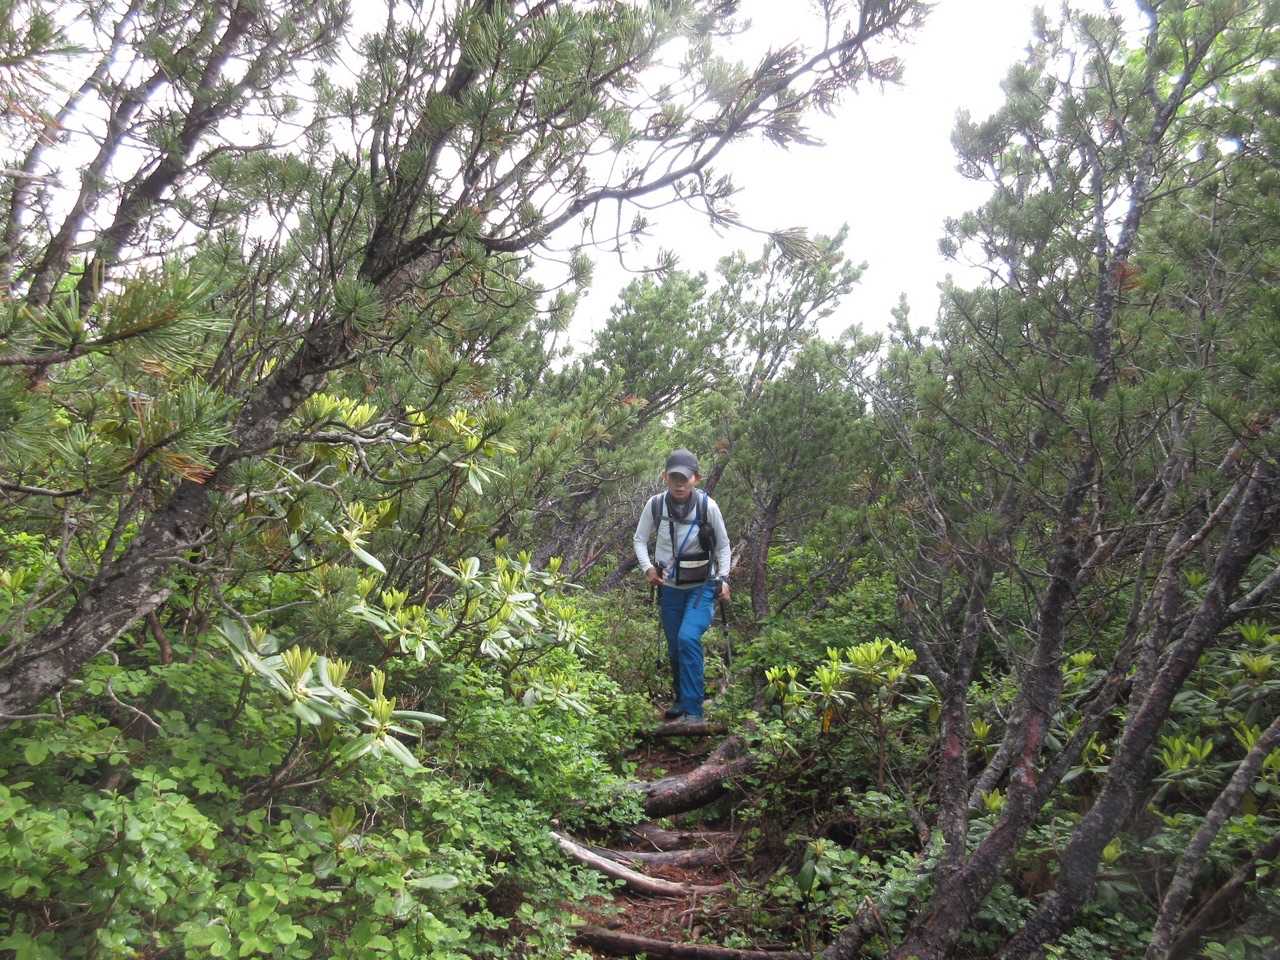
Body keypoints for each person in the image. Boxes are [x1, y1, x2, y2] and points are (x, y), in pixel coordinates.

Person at [633, 448, 731, 721]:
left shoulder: (708, 507)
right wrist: (648, 568)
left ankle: (694, 710)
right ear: (665, 477)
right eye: (674, 477)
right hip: (670, 588)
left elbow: (723, 546)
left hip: (702, 586)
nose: (679, 484)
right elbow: (639, 539)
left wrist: (724, 578)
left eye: (685, 478)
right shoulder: (655, 505)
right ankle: (681, 700)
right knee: (675, 646)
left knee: (687, 638)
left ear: (696, 479)